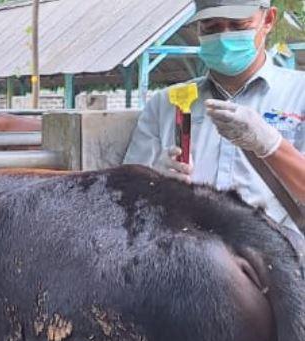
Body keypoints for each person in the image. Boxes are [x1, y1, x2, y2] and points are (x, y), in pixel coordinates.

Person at [124, 0, 305, 234]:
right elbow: (125, 199)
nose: (223, 37)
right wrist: (154, 183)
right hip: (187, 255)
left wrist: (272, 146)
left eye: (238, 25)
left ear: (268, 20)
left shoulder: (299, 94)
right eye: (211, 26)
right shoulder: (165, 104)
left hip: (272, 260)